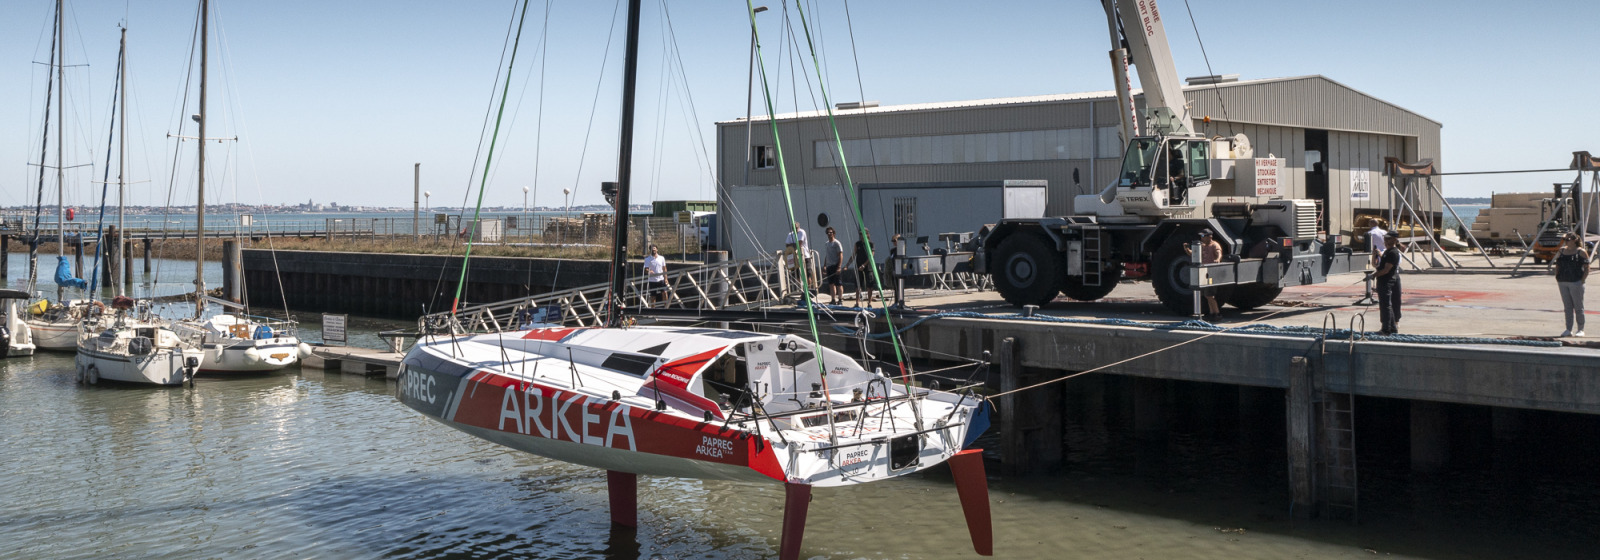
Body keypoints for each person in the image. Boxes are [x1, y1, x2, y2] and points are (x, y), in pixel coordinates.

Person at [1554, 232, 1589, 337]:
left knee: (1578, 306)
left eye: (1568, 239)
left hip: (1576, 282)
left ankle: (1580, 329)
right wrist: (1557, 277)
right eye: (1565, 240)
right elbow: (1558, 265)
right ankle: (1568, 329)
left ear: (1574, 240)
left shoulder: (1581, 252)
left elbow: (1587, 267)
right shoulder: (1562, 251)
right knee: (1567, 307)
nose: (1566, 242)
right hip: (1563, 281)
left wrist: (1582, 280)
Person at [1183, 229, 1223, 316]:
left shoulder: (1214, 245)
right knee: (1206, 295)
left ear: (1209, 237)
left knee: (1210, 295)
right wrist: (1187, 249)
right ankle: (1212, 312)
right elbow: (1193, 254)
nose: (1201, 238)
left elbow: (1218, 252)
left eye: (1203, 236)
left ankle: (1216, 313)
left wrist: (1217, 259)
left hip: (1211, 273)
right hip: (1203, 272)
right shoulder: (1203, 246)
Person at [1371, 231, 1403, 335]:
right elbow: (1381, 264)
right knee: (1387, 305)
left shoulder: (1393, 252)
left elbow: (1386, 270)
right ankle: (1392, 328)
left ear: (1394, 240)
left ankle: (1386, 329)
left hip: (1387, 282)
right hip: (1384, 281)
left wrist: (1374, 275)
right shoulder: (1387, 252)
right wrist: (1378, 254)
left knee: (1386, 306)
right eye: (1385, 239)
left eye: (1388, 239)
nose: (1386, 241)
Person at [821, 227, 845, 304]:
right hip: (829, 266)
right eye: (828, 233)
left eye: (830, 232)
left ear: (833, 233)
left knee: (838, 283)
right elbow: (827, 255)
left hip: (835, 265)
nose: (829, 234)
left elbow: (841, 255)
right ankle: (833, 299)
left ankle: (840, 299)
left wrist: (839, 267)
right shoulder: (827, 244)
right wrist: (824, 265)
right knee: (831, 284)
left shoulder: (837, 243)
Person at [851, 229, 874, 303]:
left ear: (867, 234)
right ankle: (857, 302)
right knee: (858, 285)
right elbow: (854, 255)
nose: (861, 236)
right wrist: (847, 265)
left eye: (863, 234)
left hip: (868, 267)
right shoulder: (857, 244)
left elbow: (871, 256)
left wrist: (864, 265)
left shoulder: (870, 244)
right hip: (858, 266)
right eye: (860, 234)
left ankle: (869, 302)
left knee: (869, 285)